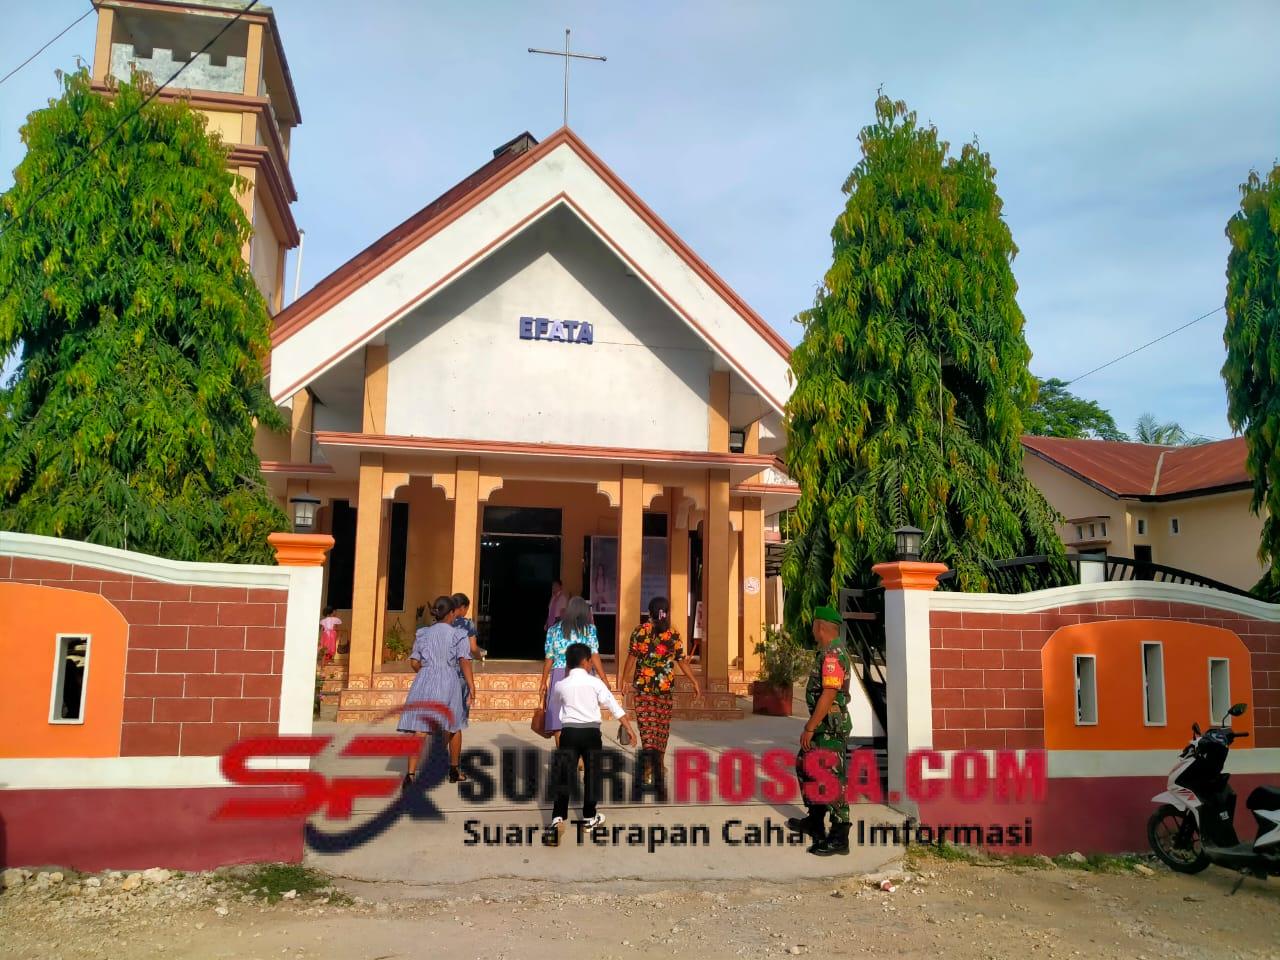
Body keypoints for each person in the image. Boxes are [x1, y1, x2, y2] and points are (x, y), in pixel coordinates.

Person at [547, 642, 637, 844]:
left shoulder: (561, 685)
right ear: (586, 662)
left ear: (569, 664)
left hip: (569, 733)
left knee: (564, 776)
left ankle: (557, 818)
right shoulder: (595, 683)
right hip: (591, 733)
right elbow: (614, 707)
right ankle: (589, 817)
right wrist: (629, 729)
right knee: (592, 775)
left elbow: (554, 708)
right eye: (590, 662)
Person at [787, 605, 853, 856]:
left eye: (814, 625)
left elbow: (829, 693)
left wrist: (810, 727)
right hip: (822, 726)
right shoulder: (826, 652)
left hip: (829, 728)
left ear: (821, 627)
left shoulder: (833, 655)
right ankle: (815, 819)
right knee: (805, 765)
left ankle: (840, 835)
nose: (812, 629)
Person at [622, 595, 700, 787]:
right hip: (664, 689)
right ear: (666, 612)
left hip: (643, 687)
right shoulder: (673, 634)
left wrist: (624, 678)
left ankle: (649, 767)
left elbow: (632, 657)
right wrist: (694, 681)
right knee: (661, 728)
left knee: (647, 727)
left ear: (649, 612)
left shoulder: (640, 631)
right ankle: (659, 764)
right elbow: (682, 661)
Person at [397, 595, 475, 785]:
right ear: (452, 613)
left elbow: (414, 662)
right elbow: (464, 661)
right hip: (449, 679)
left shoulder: (423, 633)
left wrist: (427, 672)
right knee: (454, 726)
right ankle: (453, 771)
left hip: (424, 679)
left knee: (420, 729)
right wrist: (471, 685)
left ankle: (410, 775)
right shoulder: (459, 634)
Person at [539, 596, 608, 745]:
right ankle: (581, 755)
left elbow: (549, 657)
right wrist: (604, 678)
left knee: (558, 720)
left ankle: (563, 753)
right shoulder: (589, 629)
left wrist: (543, 681)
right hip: (584, 675)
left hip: (559, 676)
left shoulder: (553, 630)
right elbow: (594, 654)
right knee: (584, 715)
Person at [451, 592, 487, 661]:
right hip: (461, 663)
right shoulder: (468, 624)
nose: (466, 612)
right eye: (467, 609)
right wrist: (480, 657)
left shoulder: (444, 621)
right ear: (463, 607)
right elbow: (473, 648)